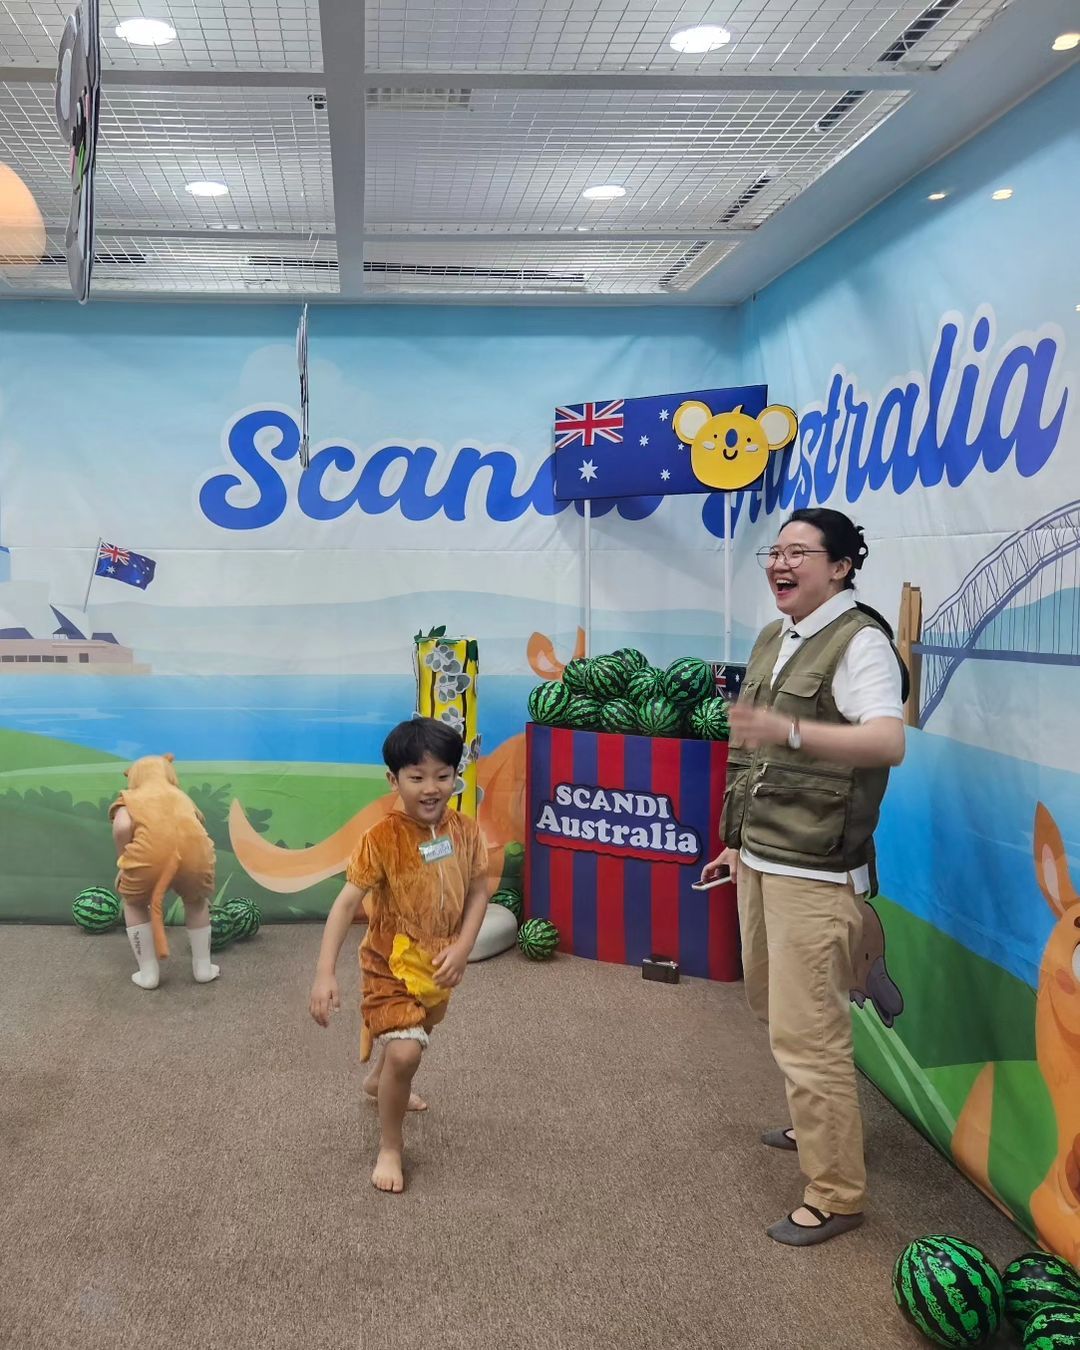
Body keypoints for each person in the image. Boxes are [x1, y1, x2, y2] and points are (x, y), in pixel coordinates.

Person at [701, 507, 907, 1247]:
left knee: (809, 1032)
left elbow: (886, 741)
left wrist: (789, 730)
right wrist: (734, 844)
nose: (779, 564)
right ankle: (815, 1121)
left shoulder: (861, 642)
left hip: (815, 870)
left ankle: (836, 1192)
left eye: (798, 552)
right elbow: (750, 754)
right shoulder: (775, 636)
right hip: (762, 856)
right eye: (775, 551)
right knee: (775, 1006)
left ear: (841, 567)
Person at [308, 717, 489, 1194]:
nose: (431, 788)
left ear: (456, 776)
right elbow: (345, 904)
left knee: (418, 1034)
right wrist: (325, 973)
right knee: (407, 1052)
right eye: (417, 776)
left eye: (443, 775)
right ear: (394, 780)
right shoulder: (381, 839)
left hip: (440, 963)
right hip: (389, 963)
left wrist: (464, 947)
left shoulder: (466, 831)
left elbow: (478, 891)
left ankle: (379, 1080)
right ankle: (390, 1146)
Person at [109, 753, 218, 990]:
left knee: (134, 904)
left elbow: (122, 826)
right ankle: (203, 968)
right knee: (196, 903)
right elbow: (198, 823)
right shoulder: (182, 797)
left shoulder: (131, 798)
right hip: (194, 854)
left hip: (149, 857)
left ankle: (148, 973)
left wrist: (124, 860)